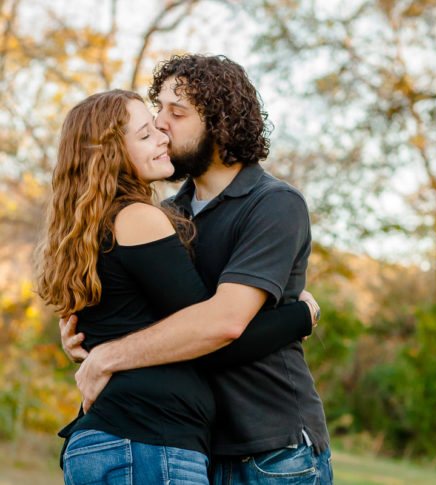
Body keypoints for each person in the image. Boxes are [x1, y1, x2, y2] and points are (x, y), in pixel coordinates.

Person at [63, 54, 333, 484]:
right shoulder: (165, 215)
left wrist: (108, 356)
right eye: (158, 112)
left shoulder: (274, 204)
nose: (162, 124)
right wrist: (93, 336)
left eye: (177, 112)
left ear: (220, 123)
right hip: (191, 442)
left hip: (270, 447)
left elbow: (221, 325)